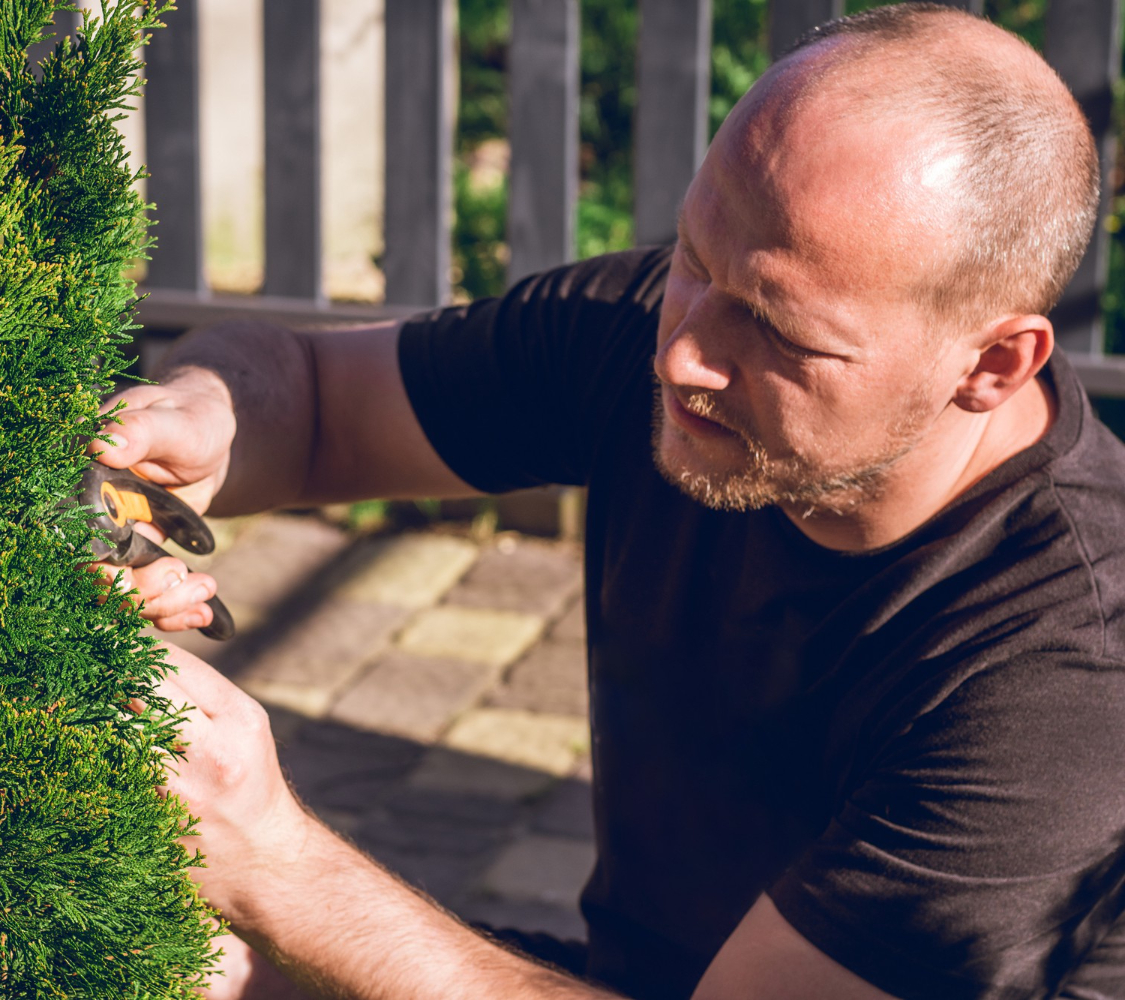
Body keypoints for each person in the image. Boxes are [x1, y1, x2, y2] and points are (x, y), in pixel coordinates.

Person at [93, 6, 1125, 999]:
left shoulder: (1068, 679)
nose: (682, 353)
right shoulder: (655, 335)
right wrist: (204, 410)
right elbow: (315, 401)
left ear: (992, 363)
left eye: (776, 327)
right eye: (694, 255)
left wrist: (274, 860)